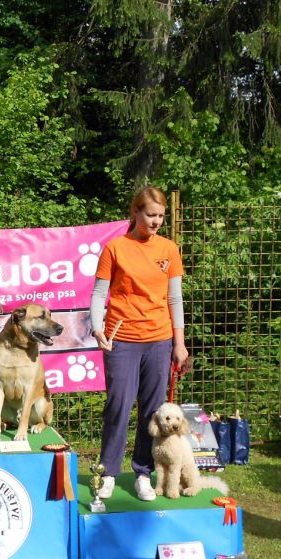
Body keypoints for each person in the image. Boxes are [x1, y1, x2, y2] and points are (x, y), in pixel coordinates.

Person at [90, 186, 191, 501]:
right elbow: (98, 294)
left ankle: (143, 473)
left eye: (161, 216)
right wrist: (97, 328)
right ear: (135, 213)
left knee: (153, 411)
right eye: (151, 215)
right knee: (118, 406)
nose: (157, 221)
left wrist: (180, 343)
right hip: (122, 340)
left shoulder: (169, 249)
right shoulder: (115, 248)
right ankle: (107, 472)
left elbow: (174, 298)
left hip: (159, 340)